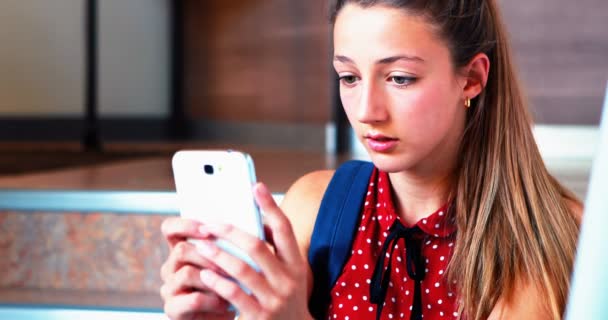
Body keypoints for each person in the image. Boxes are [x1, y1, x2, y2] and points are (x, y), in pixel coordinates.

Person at [159, 0, 583, 319]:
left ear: (471, 78)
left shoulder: (543, 237)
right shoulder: (316, 207)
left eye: (399, 78)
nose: (366, 111)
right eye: (349, 77)